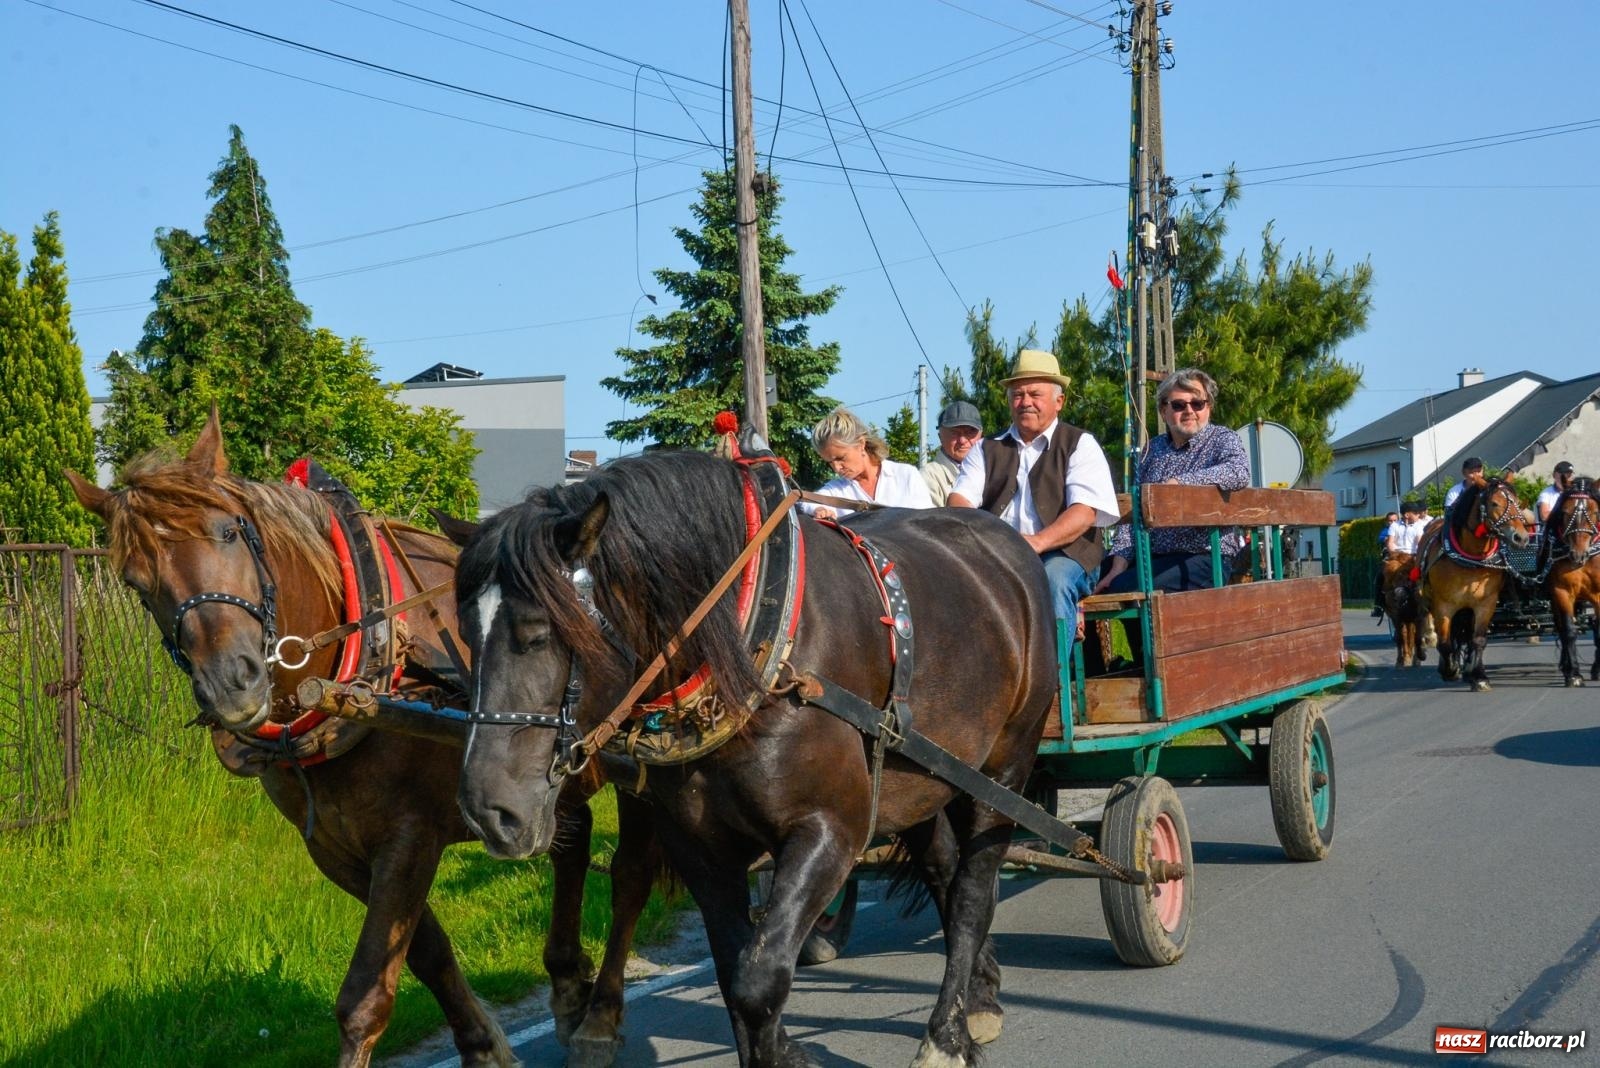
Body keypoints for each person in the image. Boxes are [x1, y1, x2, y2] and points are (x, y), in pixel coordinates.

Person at [948, 349, 1120, 637]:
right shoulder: (986, 447)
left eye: (1034, 394)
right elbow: (959, 499)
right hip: (999, 553)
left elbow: (1084, 512)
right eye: (1017, 394)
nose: (1025, 402)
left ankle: (1049, 678)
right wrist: (984, 539)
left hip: (1065, 555)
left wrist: (1036, 543)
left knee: (1053, 581)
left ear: (1059, 401)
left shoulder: (1079, 444)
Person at [1095, 367, 1251, 599]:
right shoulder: (1152, 450)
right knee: (1089, 578)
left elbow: (1238, 472)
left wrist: (1179, 484)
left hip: (1204, 555)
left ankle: (1148, 637)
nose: (1189, 410)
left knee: (1124, 586)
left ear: (1208, 407)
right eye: (1178, 405)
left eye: (1197, 403)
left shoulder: (1222, 439)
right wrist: (1118, 563)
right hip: (1152, 554)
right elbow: (1133, 512)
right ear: (1163, 411)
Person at [805, 406, 934, 520]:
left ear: (861, 444)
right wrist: (819, 510)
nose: (837, 468)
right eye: (830, 462)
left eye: (840, 458)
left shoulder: (906, 475)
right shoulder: (836, 489)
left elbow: (926, 522)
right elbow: (808, 501)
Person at [922, 401, 983, 505]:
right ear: (940, 437)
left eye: (970, 432)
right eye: (955, 433)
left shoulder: (991, 470)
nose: (962, 440)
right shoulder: (929, 477)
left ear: (981, 435)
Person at [1371, 510, 1400, 618]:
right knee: (1379, 578)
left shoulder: (1404, 529)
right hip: (1390, 558)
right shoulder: (1385, 531)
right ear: (1386, 521)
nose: (1392, 523)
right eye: (1390, 520)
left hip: (1407, 557)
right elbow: (1382, 539)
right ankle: (1378, 606)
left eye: (1395, 520)